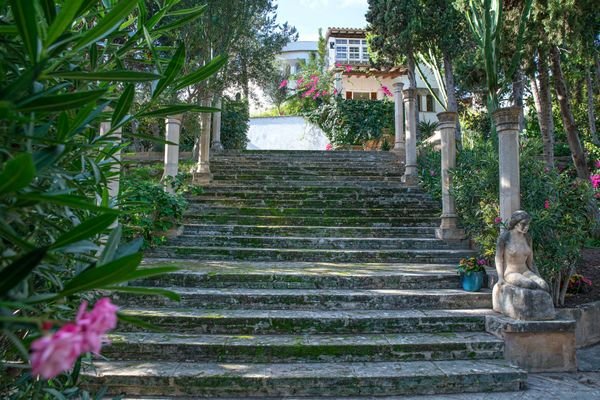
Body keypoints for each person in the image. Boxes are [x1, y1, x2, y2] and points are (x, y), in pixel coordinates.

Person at [495, 210, 550, 291]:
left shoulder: (528, 238)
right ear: (515, 224)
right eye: (523, 224)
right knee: (529, 284)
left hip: (525, 271)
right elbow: (498, 258)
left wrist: (538, 275)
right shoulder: (504, 237)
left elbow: (531, 261)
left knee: (543, 285)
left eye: (528, 224)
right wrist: (500, 278)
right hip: (511, 273)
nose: (526, 227)